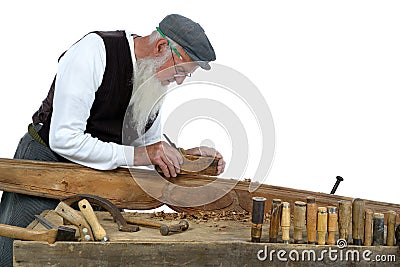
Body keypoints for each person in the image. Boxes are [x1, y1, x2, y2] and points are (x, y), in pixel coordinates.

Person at [0, 14, 225, 266]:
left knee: (82, 259)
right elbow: (63, 139)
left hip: (98, 182)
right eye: (181, 71)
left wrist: (184, 157)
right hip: (45, 168)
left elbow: (149, 150)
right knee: (19, 254)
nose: (180, 80)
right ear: (162, 48)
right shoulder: (93, 51)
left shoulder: (153, 81)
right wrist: (141, 155)